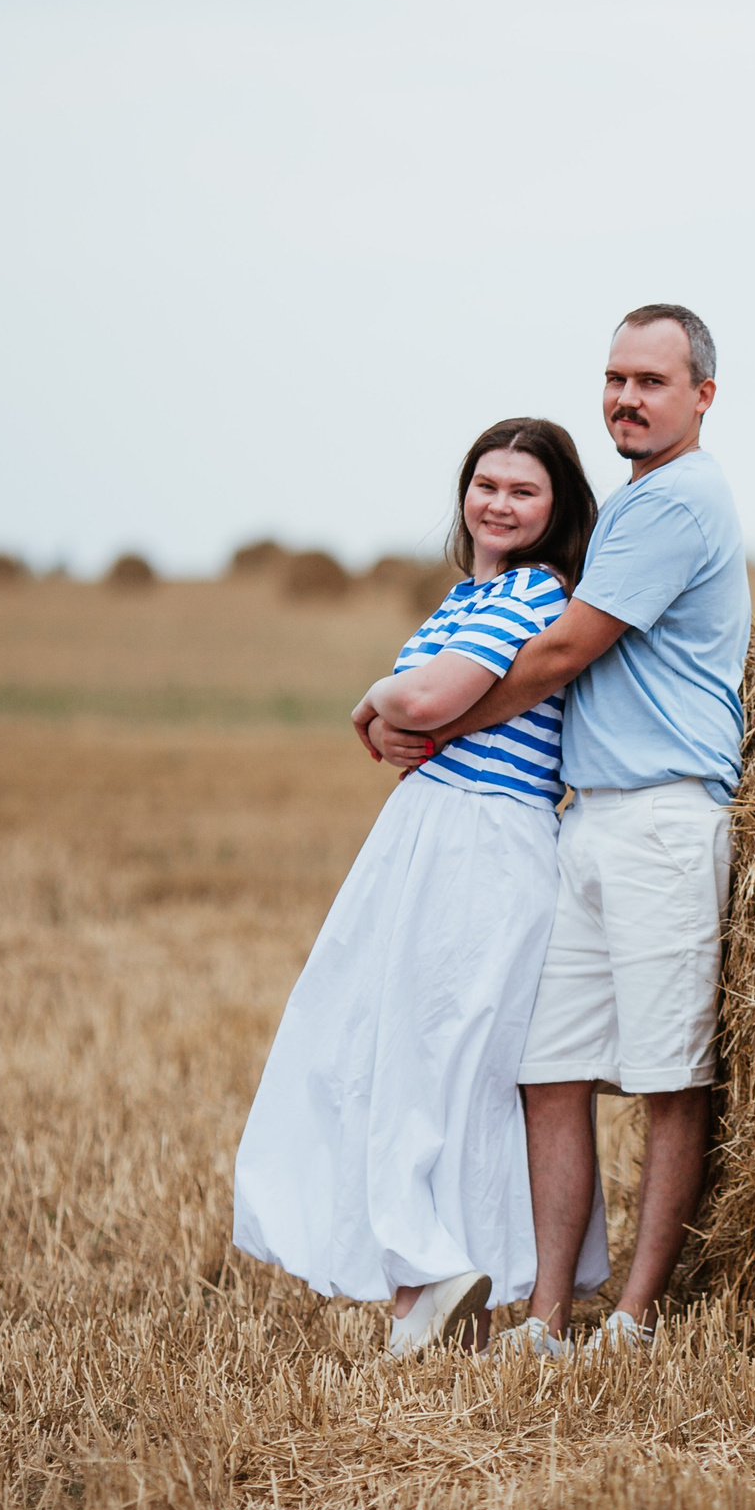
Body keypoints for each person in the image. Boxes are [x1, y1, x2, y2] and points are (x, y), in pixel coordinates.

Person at [379, 303, 748, 1358]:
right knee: (551, 1071)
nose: (627, 398)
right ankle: (547, 1317)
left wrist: (433, 728)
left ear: (702, 397)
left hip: (663, 821)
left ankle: (631, 1319)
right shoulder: (637, 504)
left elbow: (556, 657)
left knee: (668, 1079)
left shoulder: (680, 501)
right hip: (587, 822)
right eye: (615, 378)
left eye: (653, 381)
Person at [232, 417, 601, 1358]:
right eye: (487, 483)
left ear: (556, 507)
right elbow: (417, 711)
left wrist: (372, 691)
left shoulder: (534, 591)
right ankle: (441, 1296)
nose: (500, 503)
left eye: (524, 489)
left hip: (477, 837)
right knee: (408, 1057)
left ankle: (429, 1276)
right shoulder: (460, 600)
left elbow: (425, 705)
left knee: (434, 1062)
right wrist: (395, 702)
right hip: (437, 832)